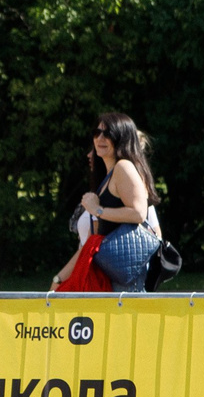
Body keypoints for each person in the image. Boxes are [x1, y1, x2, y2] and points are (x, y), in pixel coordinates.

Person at [51, 113, 160, 292]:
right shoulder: (108, 176)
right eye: (97, 132)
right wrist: (60, 277)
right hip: (110, 272)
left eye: (107, 133)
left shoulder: (123, 167)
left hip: (124, 274)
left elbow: (139, 213)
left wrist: (98, 210)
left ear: (122, 138)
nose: (100, 138)